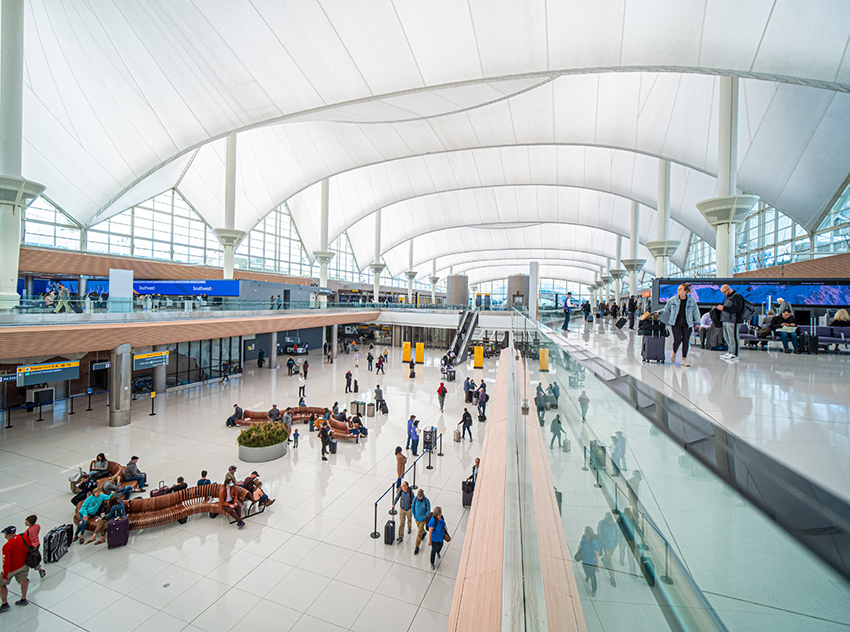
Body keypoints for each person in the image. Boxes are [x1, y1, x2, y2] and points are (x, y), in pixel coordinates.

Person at [659, 283, 700, 367]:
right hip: (675, 323)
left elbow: (696, 312)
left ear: (685, 291)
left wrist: (698, 323)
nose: (678, 290)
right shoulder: (673, 300)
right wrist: (660, 312)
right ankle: (674, 352)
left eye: (680, 289)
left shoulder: (691, 301)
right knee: (677, 340)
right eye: (678, 289)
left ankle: (684, 359)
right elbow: (666, 309)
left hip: (687, 324)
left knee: (686, 341)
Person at [1, 526, 29, 610]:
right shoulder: (23, 537)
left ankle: (4, 603)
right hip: (24, 565)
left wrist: (5, 576)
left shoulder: (7, 546)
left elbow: (6, 562)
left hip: (12, 569)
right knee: (23, 580)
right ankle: (23, 598)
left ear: (7, 535)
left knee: (1, 584)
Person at [717, 284, 744, 362]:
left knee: (733, 337)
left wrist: (724, 308)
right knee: (727, 337)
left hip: (734, 320)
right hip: (726, 319)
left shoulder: (737, 297)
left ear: (728, 289)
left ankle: (734, 353)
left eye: (724, 292)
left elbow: (737, 309)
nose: (724, 294)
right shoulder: (727, 297)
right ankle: (730, 351)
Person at [596, 513, 620, 587]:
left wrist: (616, 543)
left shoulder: (615, 525)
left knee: (608, 556)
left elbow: (617, 534)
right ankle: (612, 576)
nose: (610, 521)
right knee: (610, 561)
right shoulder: (601, 523)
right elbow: (599, 533)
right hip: (606, 546)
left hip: (612, 545)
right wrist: (603, 543)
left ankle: (604, 558)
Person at [577, 526, 601, 596]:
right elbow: (581, 545)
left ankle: (594, 590)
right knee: (585, 570)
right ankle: (587, 576)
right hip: (585, 560)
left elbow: (597, 555)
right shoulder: (584, 538)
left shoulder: (594, 542)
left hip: (591, 563)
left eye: (586, 534)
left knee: (593, 576)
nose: (585, 535)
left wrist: (597, 566)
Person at [412, 489, 431, 555]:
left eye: (421, 495)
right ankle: (424, 532)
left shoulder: (426, 501)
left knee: (419, 533)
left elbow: (428, 509)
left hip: (422, 520)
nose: (419, 496)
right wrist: (414, 514)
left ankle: (417, 546)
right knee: (420, 528)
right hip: (416, 519)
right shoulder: (415, 500)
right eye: (419, 495)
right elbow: (412, 507)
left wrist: (424, 516)